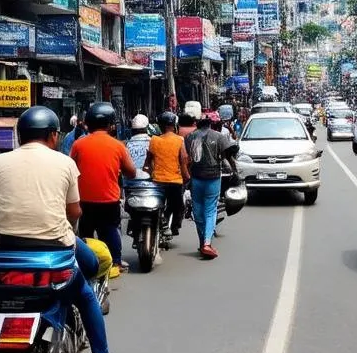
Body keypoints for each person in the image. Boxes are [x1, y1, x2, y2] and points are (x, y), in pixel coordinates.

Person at [0, 106, 124, 353]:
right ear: (53, 135)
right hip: (55, 248)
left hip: (7, 251)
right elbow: (74, 211)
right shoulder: (64, 163)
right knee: (86, 291)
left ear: (20, 136)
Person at [71, 101, 136, 276]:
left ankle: (85, 263)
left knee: (85, 232)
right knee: (110, 230)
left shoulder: (78, 144)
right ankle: (115, 262)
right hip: (109, 200)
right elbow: (131, 172)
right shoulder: (118, 146)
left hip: (83, 200)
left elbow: (71, 168)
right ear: (110, 124)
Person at [184, 115, 239, 259]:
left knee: (198, 211)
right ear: (210, 124)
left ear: (198, 124)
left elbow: (188, 158)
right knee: (210, 210)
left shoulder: (189, 137)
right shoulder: (219, 137)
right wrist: (236, 173)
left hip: (196, 178)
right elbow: (228, 156)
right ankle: (207, 243)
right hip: (213, 178)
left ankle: (203, 241)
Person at [144, 111, 189, 240]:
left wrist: (149, 173)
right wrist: (187, 177)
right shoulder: (179, 140)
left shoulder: (154, 140)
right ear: (174, 125)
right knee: (178, 207)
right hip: (175, 181)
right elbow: (184, 160)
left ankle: (162, 222)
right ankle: (175, 227)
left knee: (159, 205)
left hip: (157, 181)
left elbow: (148, 161)